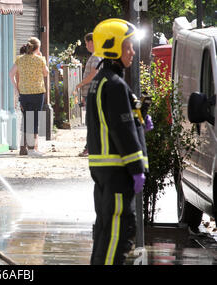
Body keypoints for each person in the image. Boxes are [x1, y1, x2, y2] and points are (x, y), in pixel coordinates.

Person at [86, 18, 153, 265]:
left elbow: (122, 113)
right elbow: (121, 129)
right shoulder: (113, 85)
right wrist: (137, 168)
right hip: (117, 172)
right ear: (113, 48)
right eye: (128, 47)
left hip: (105, 170)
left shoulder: (102, 81)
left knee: (105, 229)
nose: (132, 52)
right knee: (119, 231)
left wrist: (140, 116)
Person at [9, 37, 49, 156]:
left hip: (24, 93)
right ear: (37, 48)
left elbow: (11, 74)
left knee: (26, 119)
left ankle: (23, 148)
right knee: (34, 120)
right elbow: (46, 73)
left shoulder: (19, 59)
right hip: (37, 92)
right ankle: (32, 149)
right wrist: (42, 58)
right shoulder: (40, 60)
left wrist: (17, 88)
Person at [74, 32, 102, 157]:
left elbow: (93, 75)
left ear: (92, 42)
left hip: (93, 93)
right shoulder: (96, 56)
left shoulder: (96, 57)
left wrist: (80, 84)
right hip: (92, 93)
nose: (86, 46)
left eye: (87, 43)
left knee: (91, 122)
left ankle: (89, 148)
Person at [10, 45, 30, 155]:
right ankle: (25, 146)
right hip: (25, 93)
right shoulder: (22, 63)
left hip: (22, 93)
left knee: (26, 119)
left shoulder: (19, 63)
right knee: (28, 119)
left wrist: (16, 90)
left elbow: (12, 76)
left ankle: (25, 146)